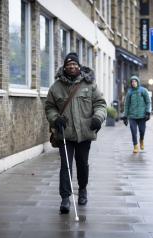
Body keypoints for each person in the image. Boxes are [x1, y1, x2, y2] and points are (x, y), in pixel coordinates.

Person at [45, 52, 106, 214]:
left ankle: (83, 190)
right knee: (65, 166)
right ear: (65, 67)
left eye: (74, 65)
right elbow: (49, 107)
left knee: (82, 165)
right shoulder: (56, 87)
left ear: (79, 67)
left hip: (85, 133)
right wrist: (55, 119)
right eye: (69, 65)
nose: (72, 67)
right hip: (65, 133)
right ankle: (65, 198)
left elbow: (100, 104)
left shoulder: (90, 85)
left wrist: (98, 118)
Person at [121, 75, 151, 153]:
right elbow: (126, 105)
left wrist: (148, 112)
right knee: (133, 131)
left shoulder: (143, 90)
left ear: (138, 82)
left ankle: (141, 140)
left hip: (142, 116)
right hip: (132, 116)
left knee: (142, 131)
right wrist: (125, 116)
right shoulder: (129, 92)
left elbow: (148, 102)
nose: (133, 83)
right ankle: (135, 146)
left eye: (135, 81)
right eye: (132, 82)